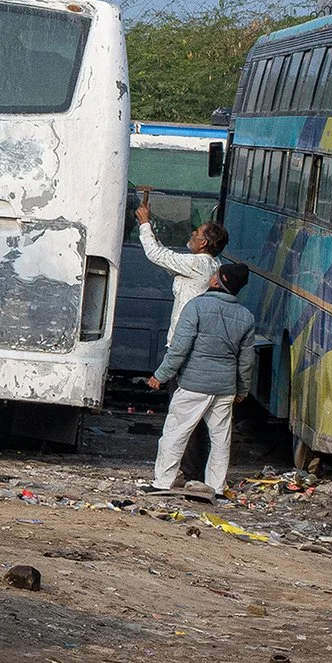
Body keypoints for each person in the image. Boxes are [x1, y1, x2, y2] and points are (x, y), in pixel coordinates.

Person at [145, 260, 257, 499]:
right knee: (220, 439)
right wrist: (242, 390)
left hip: (194, 384)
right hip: (225, 387)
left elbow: (179, 349)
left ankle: (162, 482)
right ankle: (215, 487)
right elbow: (246, 361)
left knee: (175, 433)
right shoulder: (246, 317)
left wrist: (160, 376)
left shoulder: (195, 307)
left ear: (217, 280)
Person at [136, 190, 227, 337]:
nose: (192, 234)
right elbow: (166, 258)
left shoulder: (196, 264)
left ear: (203, 243)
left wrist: (145, 224)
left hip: (184, 338)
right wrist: (150, 230)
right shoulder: (214, 263)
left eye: (196, 233)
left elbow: (155, 254)